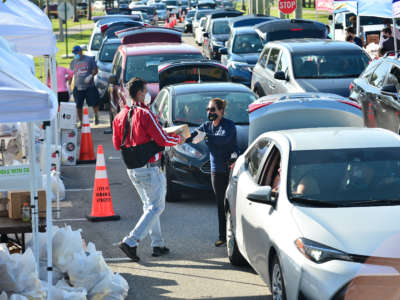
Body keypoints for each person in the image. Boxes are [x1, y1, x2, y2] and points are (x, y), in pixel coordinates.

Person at [113, 77, 185, 262]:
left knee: (150, 206)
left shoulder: (120, 116)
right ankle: (131, 241)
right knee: (156, 206)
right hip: (150, 167)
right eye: (146, 92)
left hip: (132, 168)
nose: (148, 96)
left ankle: (157, 243)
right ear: (139, 93)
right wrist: (179, 139)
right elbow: (162, 139)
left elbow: (116, 144)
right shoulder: (145, 114)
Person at [186, 98, 238, 247]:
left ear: (221, 111)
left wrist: (207, 136)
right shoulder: (207, 126)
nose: (210, 112)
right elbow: (192, 136)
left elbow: (225, 141)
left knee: (233, 203)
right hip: (216, 171)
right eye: (208, 109)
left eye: (213, 109)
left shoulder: (229, 125)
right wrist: (179, 137)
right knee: (220, 203)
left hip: (230, 169)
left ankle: (237, 234)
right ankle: (223, 236)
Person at [70, 45, 100, 127]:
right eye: (74, 53)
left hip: (89, 86)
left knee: (94, 103)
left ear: (81, 51)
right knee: (78, 105)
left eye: (77, 52)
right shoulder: (73, 62)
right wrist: (70, 85)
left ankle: (96, 116)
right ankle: (81, 121)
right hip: (78, 87)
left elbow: (95, 70)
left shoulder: (89, 59)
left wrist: (90, 76)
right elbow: (71, 74)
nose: (76, 54)